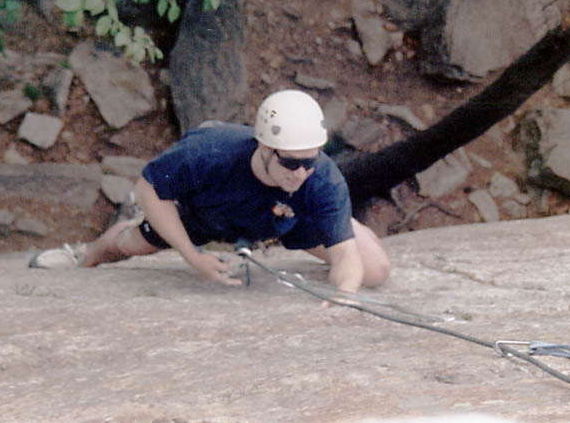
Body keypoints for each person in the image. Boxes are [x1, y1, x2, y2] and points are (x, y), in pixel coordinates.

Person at [28, 89, 391, 293]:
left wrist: (344, 298)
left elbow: (345, 258)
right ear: (264, 148)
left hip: (285, 220)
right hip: (205, 214)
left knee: (372, 270)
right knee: (129, 246)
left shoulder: (321, 178)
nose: (301, 173)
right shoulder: (211, 151)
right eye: (291, 163)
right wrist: (193, 256)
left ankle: (348, 226)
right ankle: (83, 255)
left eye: (309, 162)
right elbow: (149, 189)